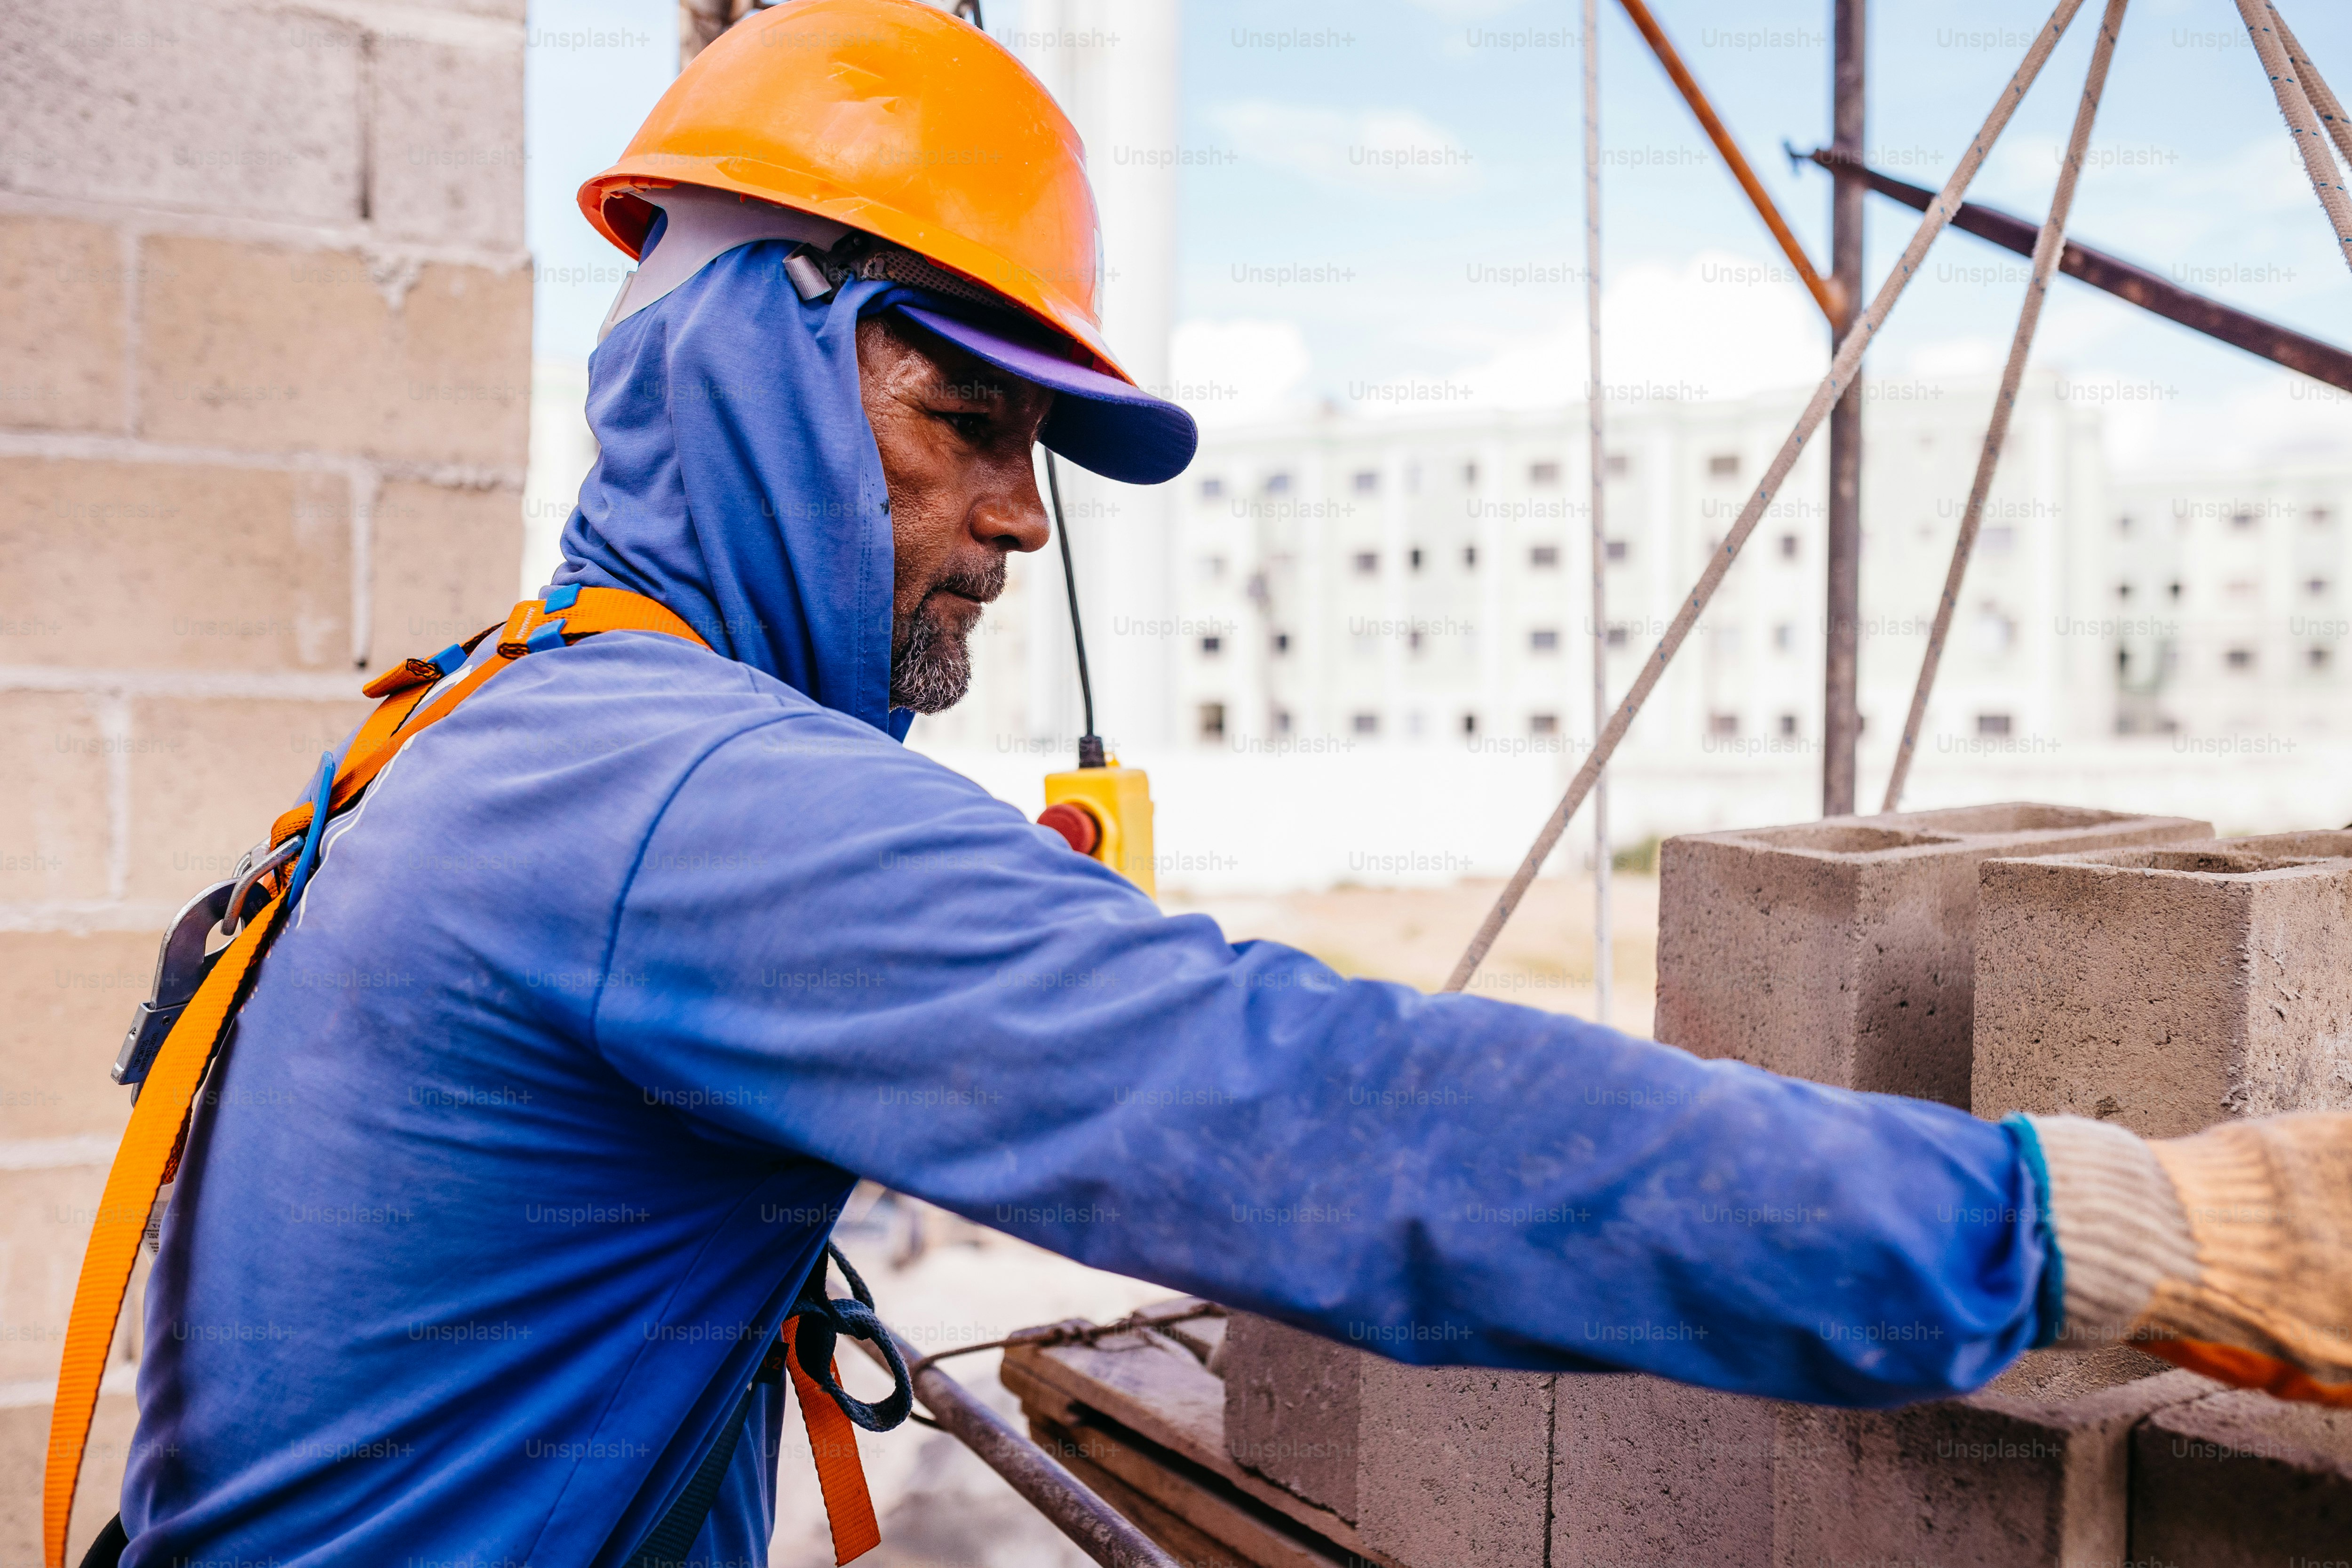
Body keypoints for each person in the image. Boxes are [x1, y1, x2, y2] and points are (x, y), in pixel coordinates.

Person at [109, 1, 2352, 1563]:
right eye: (965, 427)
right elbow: (1329, 1115)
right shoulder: (692, 814)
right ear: (757, 368)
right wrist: (2113, 1232)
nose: (1020, 519)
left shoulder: (489, 710)